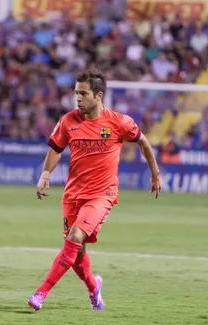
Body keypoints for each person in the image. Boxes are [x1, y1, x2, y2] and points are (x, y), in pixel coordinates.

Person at [28, 69, 162, 311]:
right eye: (76, 93)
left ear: (98, 96)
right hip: (73, 194)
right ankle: (94, 286)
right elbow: (56, 149)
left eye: (83, 94)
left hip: (102, 194)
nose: (77, 98)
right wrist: (45, 174)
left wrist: (155, 173)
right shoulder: (68, 121)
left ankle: (41, 293)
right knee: (77, 254)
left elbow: (143, 141)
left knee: (75, 238)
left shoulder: (119, 122)